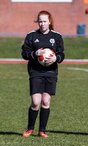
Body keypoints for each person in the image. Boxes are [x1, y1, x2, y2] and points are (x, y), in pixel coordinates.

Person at [21, 10, 65, 138]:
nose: (42, 24)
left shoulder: (56, 37)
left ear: (49, 22)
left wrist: (56, 58)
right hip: (35, 71)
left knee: (46, 101)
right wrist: (35, 54)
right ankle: (30, 128)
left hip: (51, 72)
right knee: (36, 101)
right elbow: (24, 54)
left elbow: (62, 54)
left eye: (44, 21)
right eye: (40, 21)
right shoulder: (31, 36)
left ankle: (42, 130)